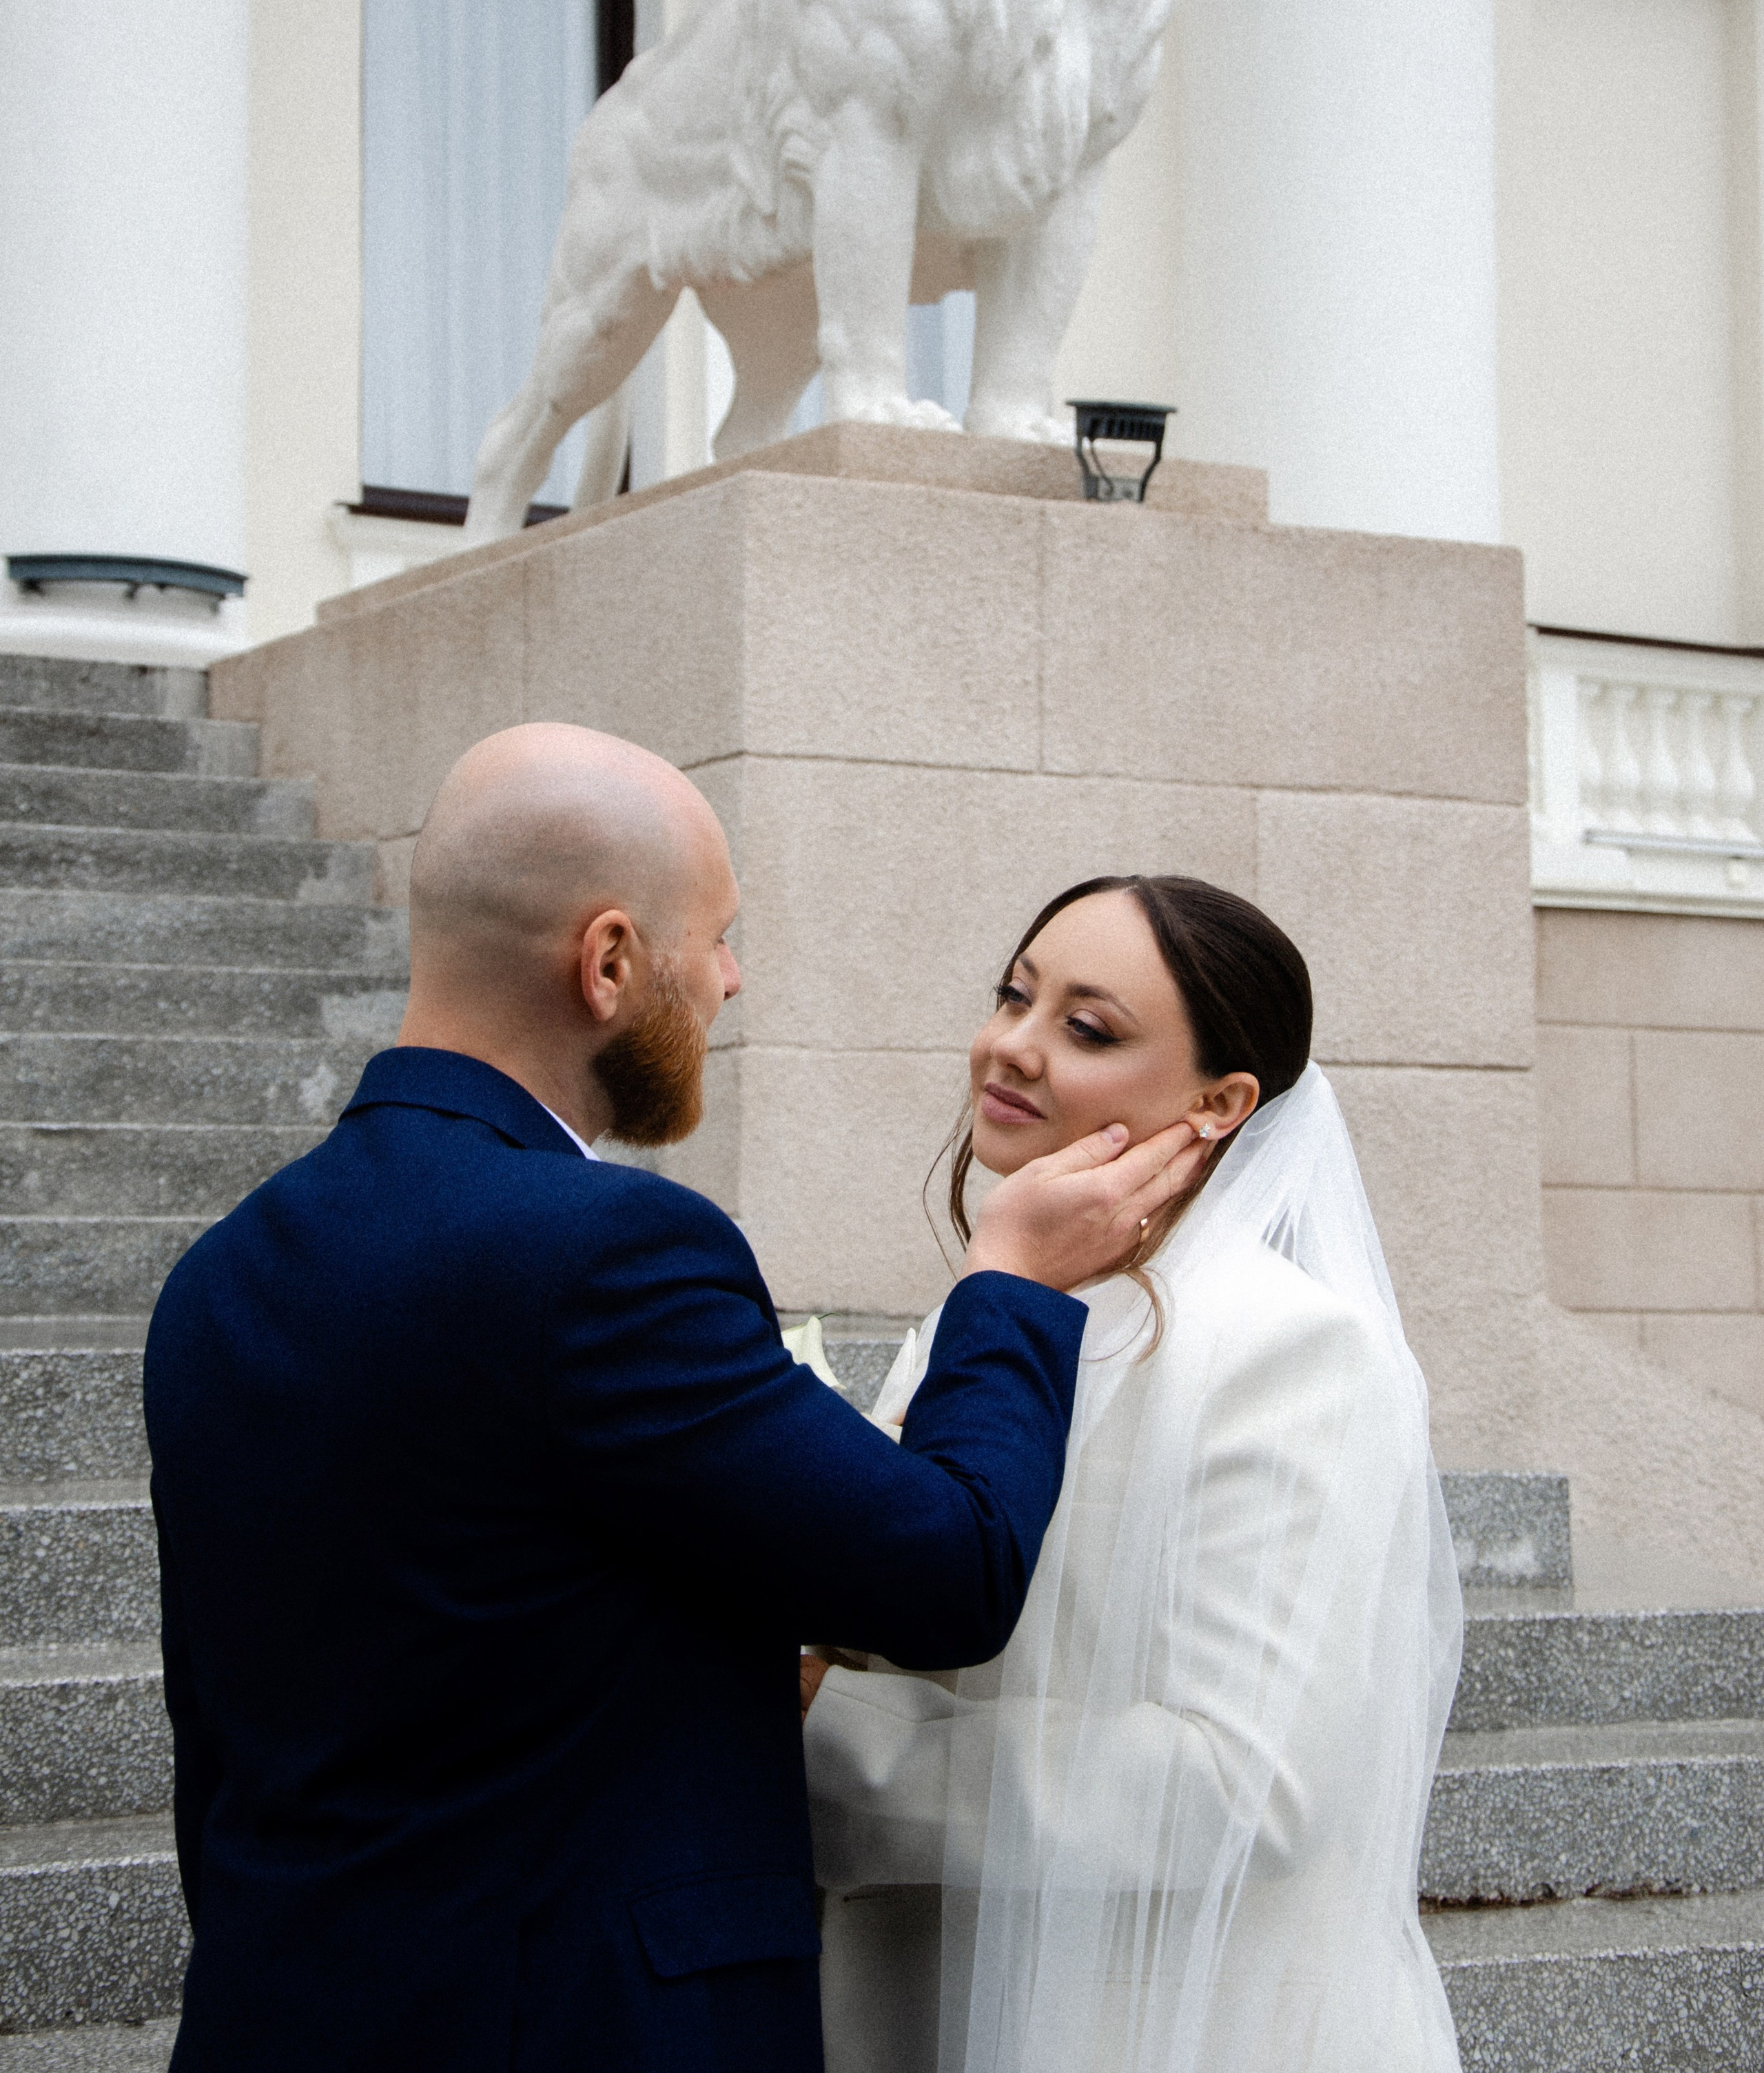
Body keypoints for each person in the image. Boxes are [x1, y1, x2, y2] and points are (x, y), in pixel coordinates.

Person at [143, 730, 1207, 2073]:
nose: (728, 979)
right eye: (714, 939)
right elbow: (950, 1567)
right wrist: (1012, 1282)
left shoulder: (221, 1271)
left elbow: (253, 1720)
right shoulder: (604, 1252)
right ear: (607, 962)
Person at [805, 875, 1464, 2073]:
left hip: (1136, 2023)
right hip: (915, 1996)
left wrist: (830, 1741)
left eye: (1087, 1027)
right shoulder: (988, 1311)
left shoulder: (1289, 1350)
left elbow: (1249, 1782)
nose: (1014, 1045)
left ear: (1220, 1102)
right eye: (1013, 995)